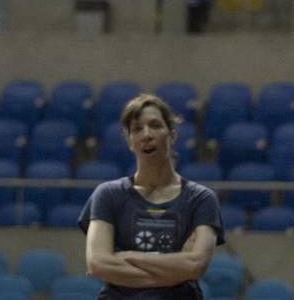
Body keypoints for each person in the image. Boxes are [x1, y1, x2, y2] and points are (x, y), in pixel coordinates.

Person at [80, 94, 222, 300]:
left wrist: (126, 257)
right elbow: (98, 264)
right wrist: (174, 271)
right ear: (130, 141)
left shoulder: (201, 199)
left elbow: (195, 265)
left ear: (171, 135)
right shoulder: (108, 194)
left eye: (155, 125)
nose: (146, 134)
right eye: (137, 129)